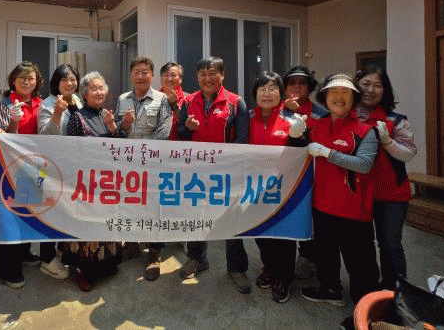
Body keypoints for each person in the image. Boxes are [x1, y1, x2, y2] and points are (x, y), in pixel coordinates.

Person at [300, 74, 380, 330]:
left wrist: (328, 153)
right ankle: (331, 289)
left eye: (345, 93)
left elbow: (364, 165)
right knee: (325, 254)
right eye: (333, 92)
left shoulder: (366, 131)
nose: (338, 97)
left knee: (361, 266)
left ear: (354, 99)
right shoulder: (318, 126)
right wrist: (296, 131)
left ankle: (367, 315)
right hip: (321, 205)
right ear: (324, 97)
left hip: (353, 211)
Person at [177, 57, 252, 294]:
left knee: (231, 218)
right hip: (196, 173)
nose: (207, 78)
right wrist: (187, 129)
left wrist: (224, 163)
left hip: (226, 174)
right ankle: (197, 258)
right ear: (197, 77)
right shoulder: (188, 101)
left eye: (212, 73)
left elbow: (243, 139)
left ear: (222, 75)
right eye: (202, 74)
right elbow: (179, 134)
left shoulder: (236, 102)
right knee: (196, 215)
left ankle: (236, 268)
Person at [355, 66, 417, 291]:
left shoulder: (396, 120)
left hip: (392, 194)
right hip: (359, 193)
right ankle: (369, 292)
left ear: (385, 90)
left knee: (390, 244)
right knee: (362, 245)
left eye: (377, 85)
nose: (370, 90)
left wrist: (388, 142)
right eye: (365, 84)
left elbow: (409, 153)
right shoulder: (348, 117)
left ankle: (397, 293)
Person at [249, 72, 307, 304]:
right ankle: (269, 267)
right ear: (255, 94)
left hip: (285, 189)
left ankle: (284, 276)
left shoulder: (293, 119)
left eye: (272, 88)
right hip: (255, 188)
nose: (267, 93)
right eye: (262, 88)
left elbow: (303, 153)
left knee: (283, 235)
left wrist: (297, 137)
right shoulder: (247, 118)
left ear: (280, 93)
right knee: (261, 232)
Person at [64, 71, 123, 291]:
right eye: (93, 89)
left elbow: (119, 149)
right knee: (86, 226)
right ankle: (84, 271)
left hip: (107, 181)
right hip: (86, 182)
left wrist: (113, 127)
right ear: (85, 94)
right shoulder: (77, 118)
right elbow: (70, 151)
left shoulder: (108, 115)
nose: (98, 92)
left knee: (105, 223)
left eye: (101, 88)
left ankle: (106, 262)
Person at [115, 57, 172, 281]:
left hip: (152, 163)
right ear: (131, 75)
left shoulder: (161, 99)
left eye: (145, 72)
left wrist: (145, 155)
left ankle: (154, 252)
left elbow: (164, 131)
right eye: (136, 72)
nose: (140, 76)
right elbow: (116, 131)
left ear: (152, 75)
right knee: (130, 202)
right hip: (127, 164)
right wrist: (124, 125)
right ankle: (131, 245)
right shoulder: (122, 99)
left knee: (153, 206)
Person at [0, 61, 43, 288]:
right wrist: (13, 121)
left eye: (31, 78)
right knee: (11, 216)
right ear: (13, 81)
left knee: (29, 212)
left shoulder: (41, 103)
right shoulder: (4, 105)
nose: (26, 82)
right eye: (22, 78)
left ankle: (24, 252)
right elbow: (1, 137)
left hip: (35, 166)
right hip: (11, 167)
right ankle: (8, 270)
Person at [35, 64, 83, 280]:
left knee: (66, 210)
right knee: (51, 211)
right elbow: (44, 135)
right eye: (64, 79)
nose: (69, 83)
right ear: (56, 83)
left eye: (73, 79)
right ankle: (47, 259)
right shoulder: (47, 104)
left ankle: (62, 251)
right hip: (52, 167)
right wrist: (56, 113)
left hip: (72, 166)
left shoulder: (78, 101)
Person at [281, 65, 328, 279]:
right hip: (285, 178)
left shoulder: (322, 113)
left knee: (312, 221)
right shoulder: (278, 111)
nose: (297, 87)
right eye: (292, 83)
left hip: (315, 178)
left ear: (310, 87)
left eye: (302, 83)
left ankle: (308, 257)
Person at [159, 61, 187, 141]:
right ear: (161, 79)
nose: (169, 79)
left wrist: (174, 105)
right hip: (157, 145)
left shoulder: (188, 99)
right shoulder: (153, 99)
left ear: (180, 79)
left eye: (173, 75)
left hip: (180, 145)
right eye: (165, 75)